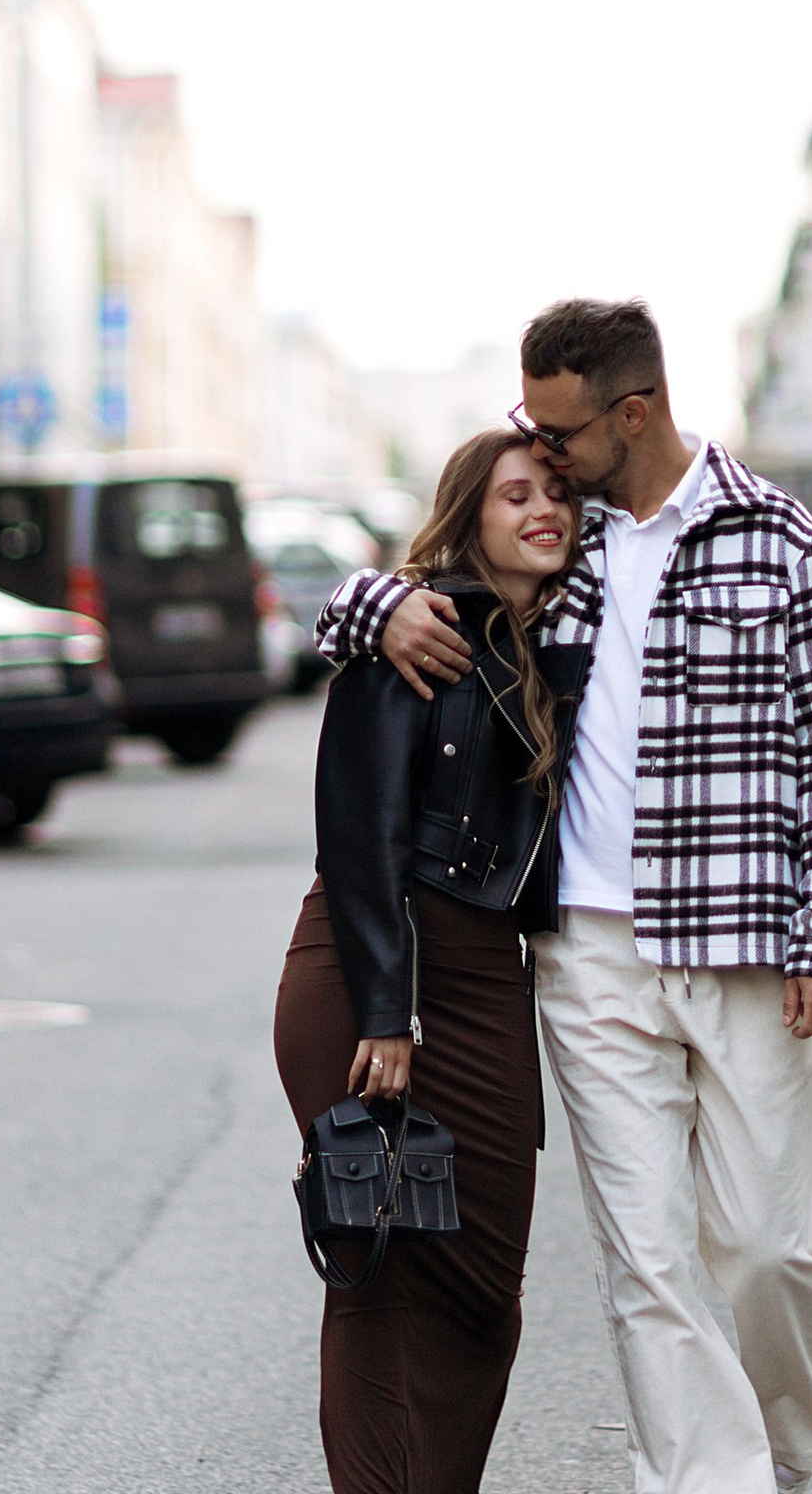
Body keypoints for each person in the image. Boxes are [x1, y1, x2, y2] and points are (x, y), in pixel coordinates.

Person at [320, 299, 812, 1494]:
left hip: (742, 944)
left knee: (779, 1246)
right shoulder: (557, 555)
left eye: (560, 430)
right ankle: (707, 1478)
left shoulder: (776, 535)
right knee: (649, 1257)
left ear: (634, 414)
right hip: (586, 954)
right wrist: (372, 604)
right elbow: (426, 582)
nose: (543, 452)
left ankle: (777, 1453)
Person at [273, 431, 588, 1494]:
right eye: (515, 493)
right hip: (372, 979)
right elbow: (357, 840)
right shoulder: (419, 628)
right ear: (469, 514)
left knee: (482, 1289)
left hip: (486, 980)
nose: (542, 507)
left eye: (556, 492)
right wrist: (385, 1009)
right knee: (376, 1272)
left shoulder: (559, 636)